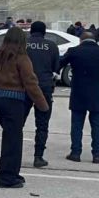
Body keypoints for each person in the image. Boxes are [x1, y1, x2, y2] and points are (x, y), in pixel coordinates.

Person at [0, 27, 49, 188]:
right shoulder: (21, 58)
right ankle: (7, 178)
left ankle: (12, 172)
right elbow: (31, 83)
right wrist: (43, 105)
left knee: (10, 138)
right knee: (13, 141)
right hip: (13, 102)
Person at [59, 32, 99, 164]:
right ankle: (97, 155)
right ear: (95, 40)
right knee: (97, 126)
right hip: (98, 94)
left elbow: (59, 64)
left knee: (77, 125)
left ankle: (75, 153)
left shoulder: (74, 51)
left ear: (81, 40)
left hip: (79, 94)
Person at [26, 21, 60, 168]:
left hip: (24, 86)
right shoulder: (51, 46)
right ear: (44, 32)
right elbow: (55, 68)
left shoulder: (23, 44)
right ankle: (38, 157)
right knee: (42, 124)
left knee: (16, 123)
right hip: (44, 87)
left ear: (31, 31)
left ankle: (9, 155)